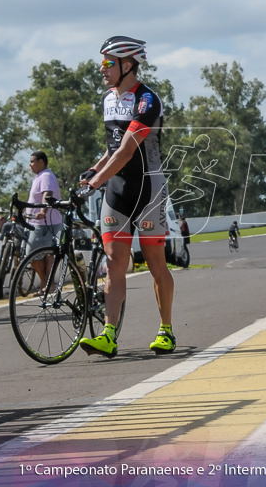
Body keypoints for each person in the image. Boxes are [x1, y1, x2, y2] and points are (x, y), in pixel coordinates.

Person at [78, 36, 176, 358]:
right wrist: (93, 172)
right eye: (102, 63)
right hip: (117, 191)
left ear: (128, 64)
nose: (101, 69)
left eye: (108, 63)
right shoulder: (108, 99)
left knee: (154, 264)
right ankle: (108, 333)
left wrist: (95, 184)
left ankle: (165, 330)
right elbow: (111, 149)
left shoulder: (147, 101)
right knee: (114, 262)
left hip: (148, 190)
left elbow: (126, 151)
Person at [26, 151, 62, 293]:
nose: (30, 165)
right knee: (46, 254)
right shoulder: (39, 177)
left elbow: (47, 194)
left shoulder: (46, 176)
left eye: (33, 161)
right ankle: (47, 285)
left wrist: (42, 211)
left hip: (46, 223)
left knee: (32, 254)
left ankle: (46, 283)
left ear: (42, 162)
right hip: (40, 223)